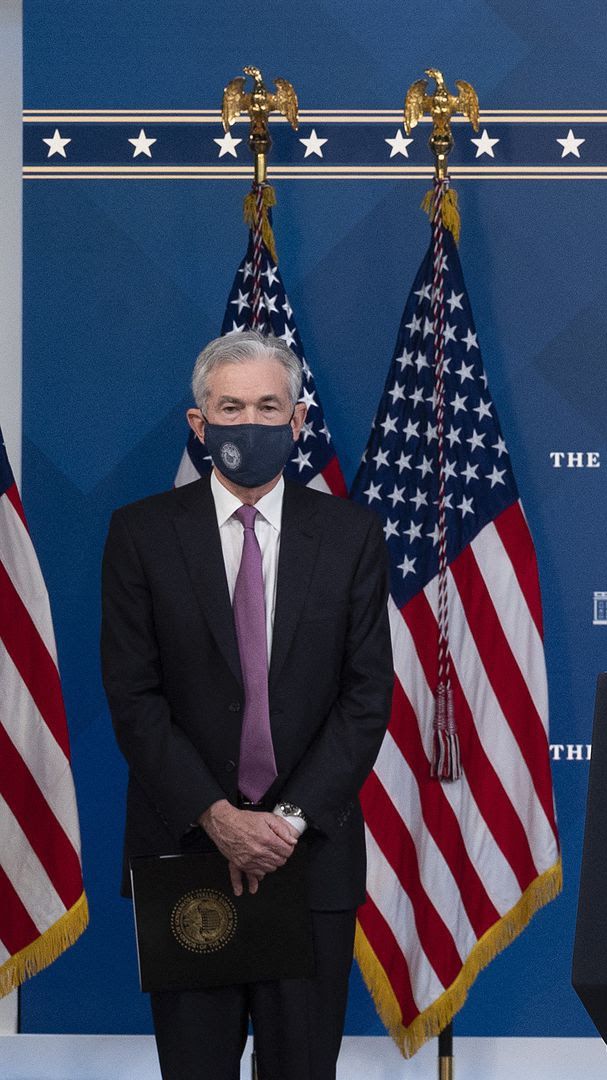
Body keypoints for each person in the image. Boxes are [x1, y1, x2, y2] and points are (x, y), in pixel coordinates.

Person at [101, 330, 392, 1080]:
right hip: (189, 852)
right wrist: (221, 819)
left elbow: (366, 699)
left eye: (269, 406)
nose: (250, 424)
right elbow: (134, 699)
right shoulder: (141, 534)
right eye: (230, 407)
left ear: (298, 423)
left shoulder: (352, 536)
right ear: (199, 426)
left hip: (310, 858)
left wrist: (283, 825)